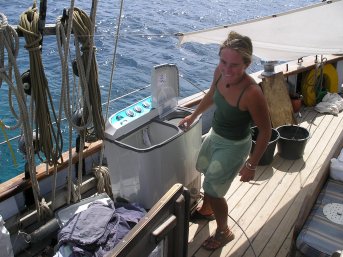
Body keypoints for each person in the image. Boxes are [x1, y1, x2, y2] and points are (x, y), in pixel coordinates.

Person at [178, 31, 271, 250]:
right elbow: (211, 95)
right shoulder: (219, 73)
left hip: (234, 146)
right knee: (202, 167)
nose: (227, 70)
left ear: (247, 64)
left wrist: (251, 165)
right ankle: (207, 208)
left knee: (214, 190)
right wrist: (193, 115)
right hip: (215, 135)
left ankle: (224, 231)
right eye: (223, 61)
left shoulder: (252, 93)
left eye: (234, 65)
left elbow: (266, 131)